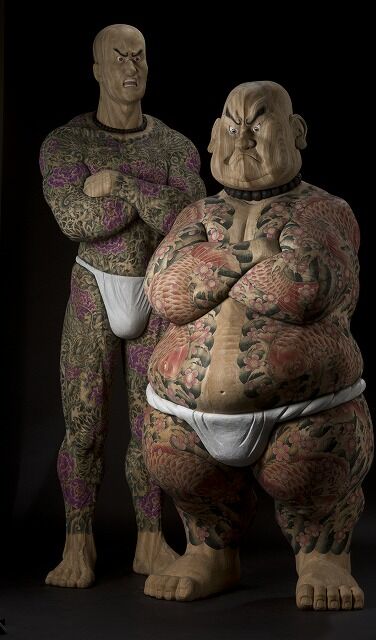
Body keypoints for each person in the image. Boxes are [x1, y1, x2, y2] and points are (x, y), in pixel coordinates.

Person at [141, 81, 374, 609]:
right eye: (231, 123)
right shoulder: (195, 213)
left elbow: (304, 287)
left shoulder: (324, 209)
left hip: (306, 411)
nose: (242, 136)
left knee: (312, 474)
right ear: (213, 136)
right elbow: (165, 292)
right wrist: (253, 256)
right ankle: (209, 552)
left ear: (296, 131)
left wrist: (210, 269)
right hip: (185, 416)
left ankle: (323, 556)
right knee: (186, 474)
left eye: (259, 122)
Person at [39, 23, 206, 588]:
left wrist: (121, 185)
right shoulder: (66, 144)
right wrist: (150, 199)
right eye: (119, 57)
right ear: (97, 70)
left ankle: (151, 540)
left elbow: (190, 222)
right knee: (83, 424)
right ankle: (77, 541)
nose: (132, 67)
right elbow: (76, 220)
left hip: (154, 289)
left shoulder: (174, 146)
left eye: (140, 56)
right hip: (95, 284)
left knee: (151, 423)